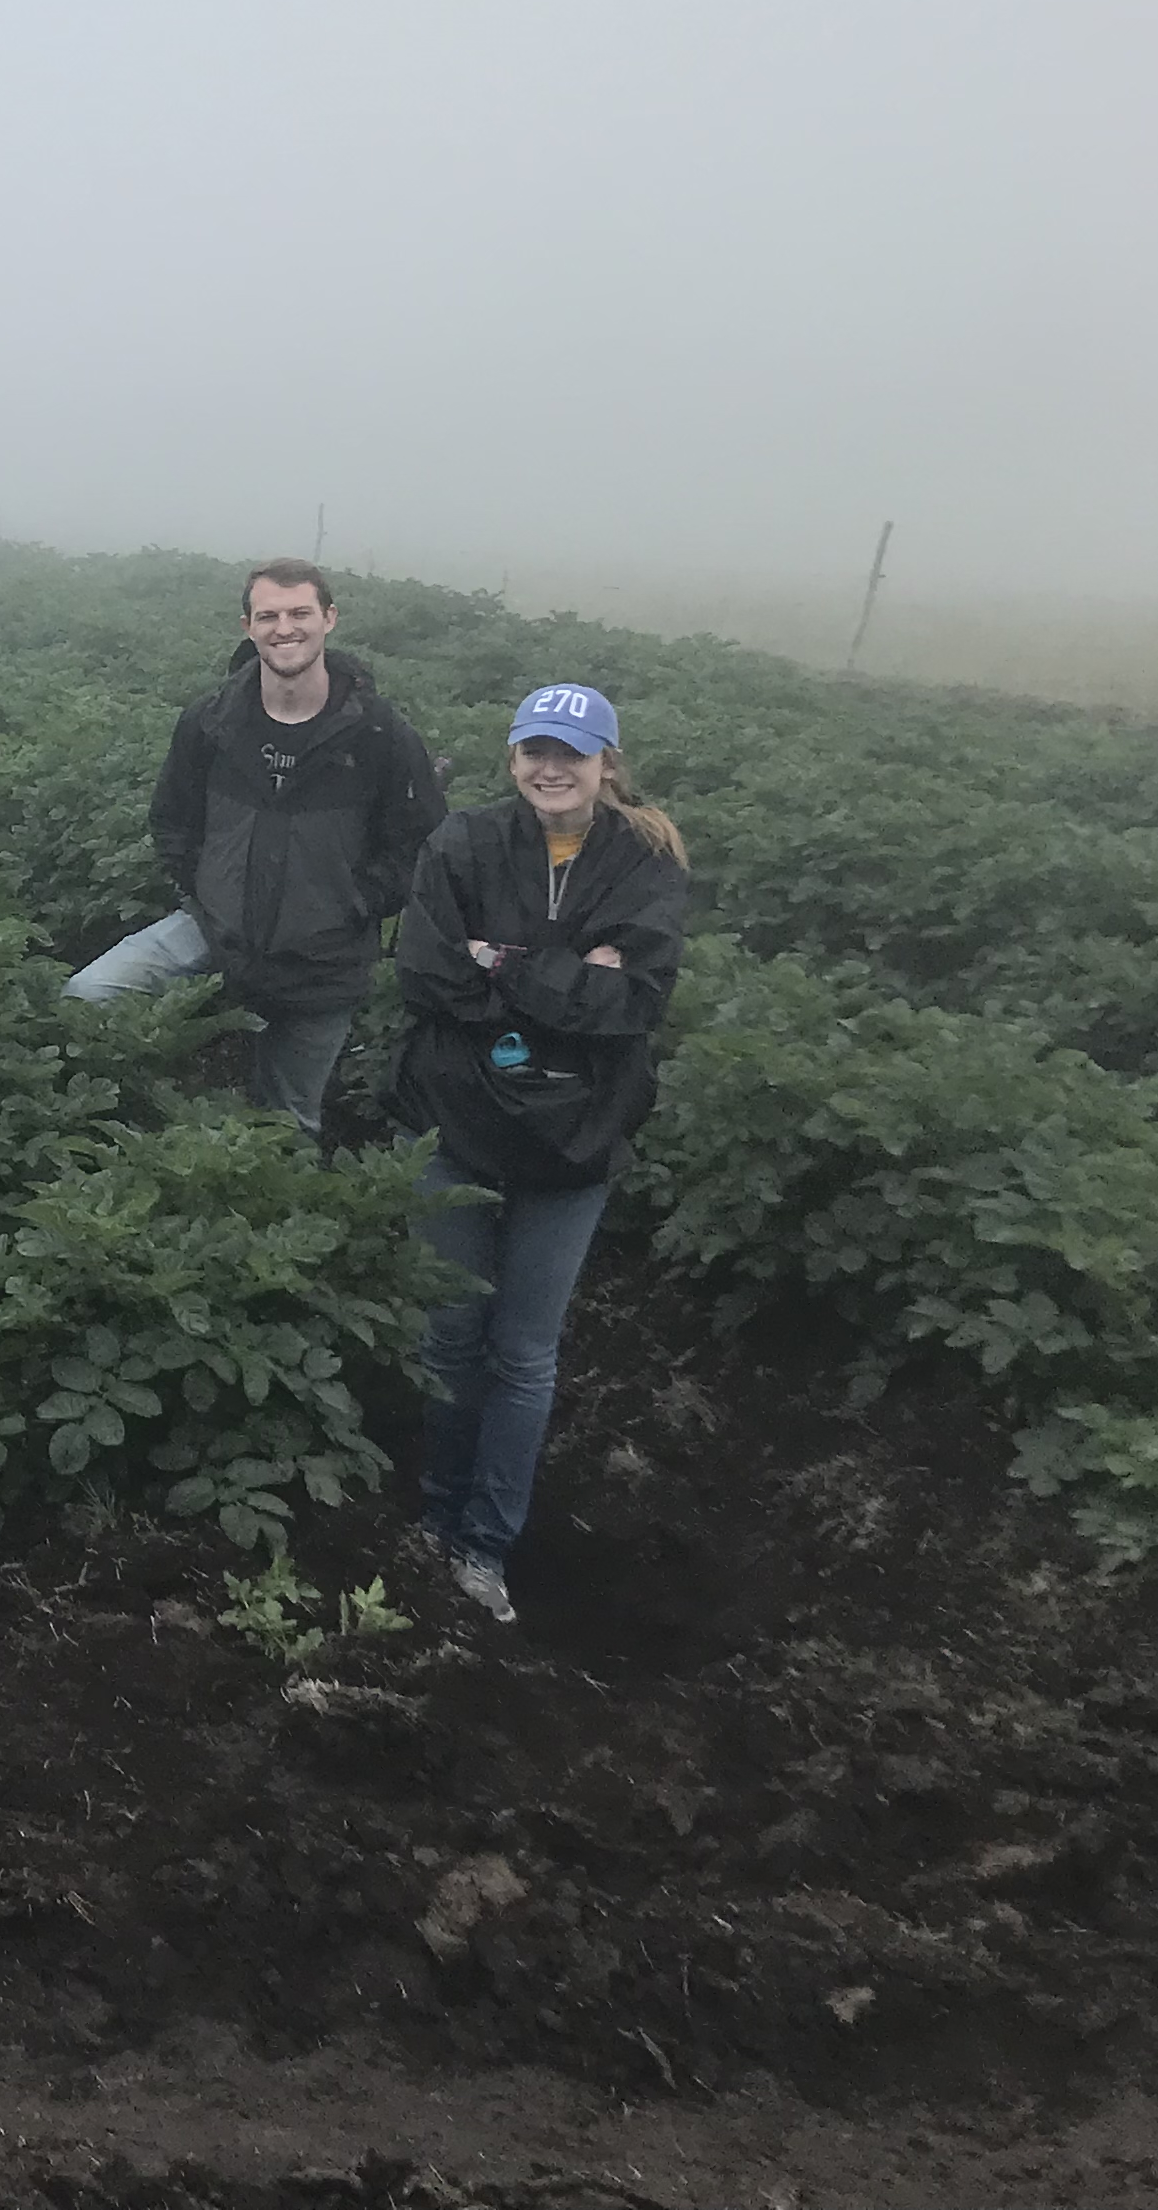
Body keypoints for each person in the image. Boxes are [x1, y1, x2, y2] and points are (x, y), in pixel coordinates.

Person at [391, 681, 689, 1626]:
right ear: (513, 757)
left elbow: (636, 1002)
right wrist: (567, 984)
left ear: (608, 764)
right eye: (535, 751)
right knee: (449, 1336)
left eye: (572, 752)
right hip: (459, 1122)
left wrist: (508, 965)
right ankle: (433, 1525)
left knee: (523, 1355)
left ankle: (485, 1547)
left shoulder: (644, 862)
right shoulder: (464, 842)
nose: (551, 769)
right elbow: (425, 972)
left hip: (577, 1141)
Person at [64, 559, 443, 1137]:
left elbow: (418, 841)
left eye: (299, 613)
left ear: (329, 619)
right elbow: (173, 817)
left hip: (323, 961)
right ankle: (119, 1129)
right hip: (214, 928)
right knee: (86, 997)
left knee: (286, 1125)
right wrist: (207, 888)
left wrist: (351, 904)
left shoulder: (378, 733)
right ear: (247, 625)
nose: (283, 628)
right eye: (268, 615)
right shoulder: (212, 721)